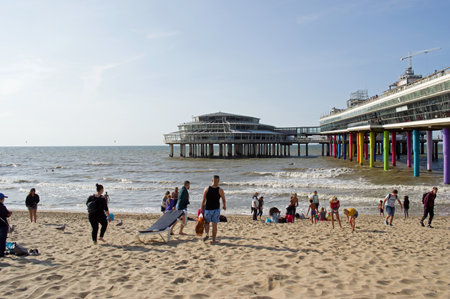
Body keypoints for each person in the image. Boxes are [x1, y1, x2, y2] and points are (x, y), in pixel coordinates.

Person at [201, 175, 226, 244]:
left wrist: (201, 210)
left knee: (207, 223)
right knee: (214, 225)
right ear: (218, 181)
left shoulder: (207, 189)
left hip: (208, 209)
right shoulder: (220, 190)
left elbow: (203, 201)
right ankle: (214, 240)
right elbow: (223, 199)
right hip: (216, 209)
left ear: (212, 180)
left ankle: (207, 234)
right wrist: (224, 206)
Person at [0, 193, 12, 258]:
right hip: (3, 224)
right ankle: (1, 253)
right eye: (3, 198)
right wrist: (10, 213)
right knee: (2, 239)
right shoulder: (2, 206)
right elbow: (7, 214)